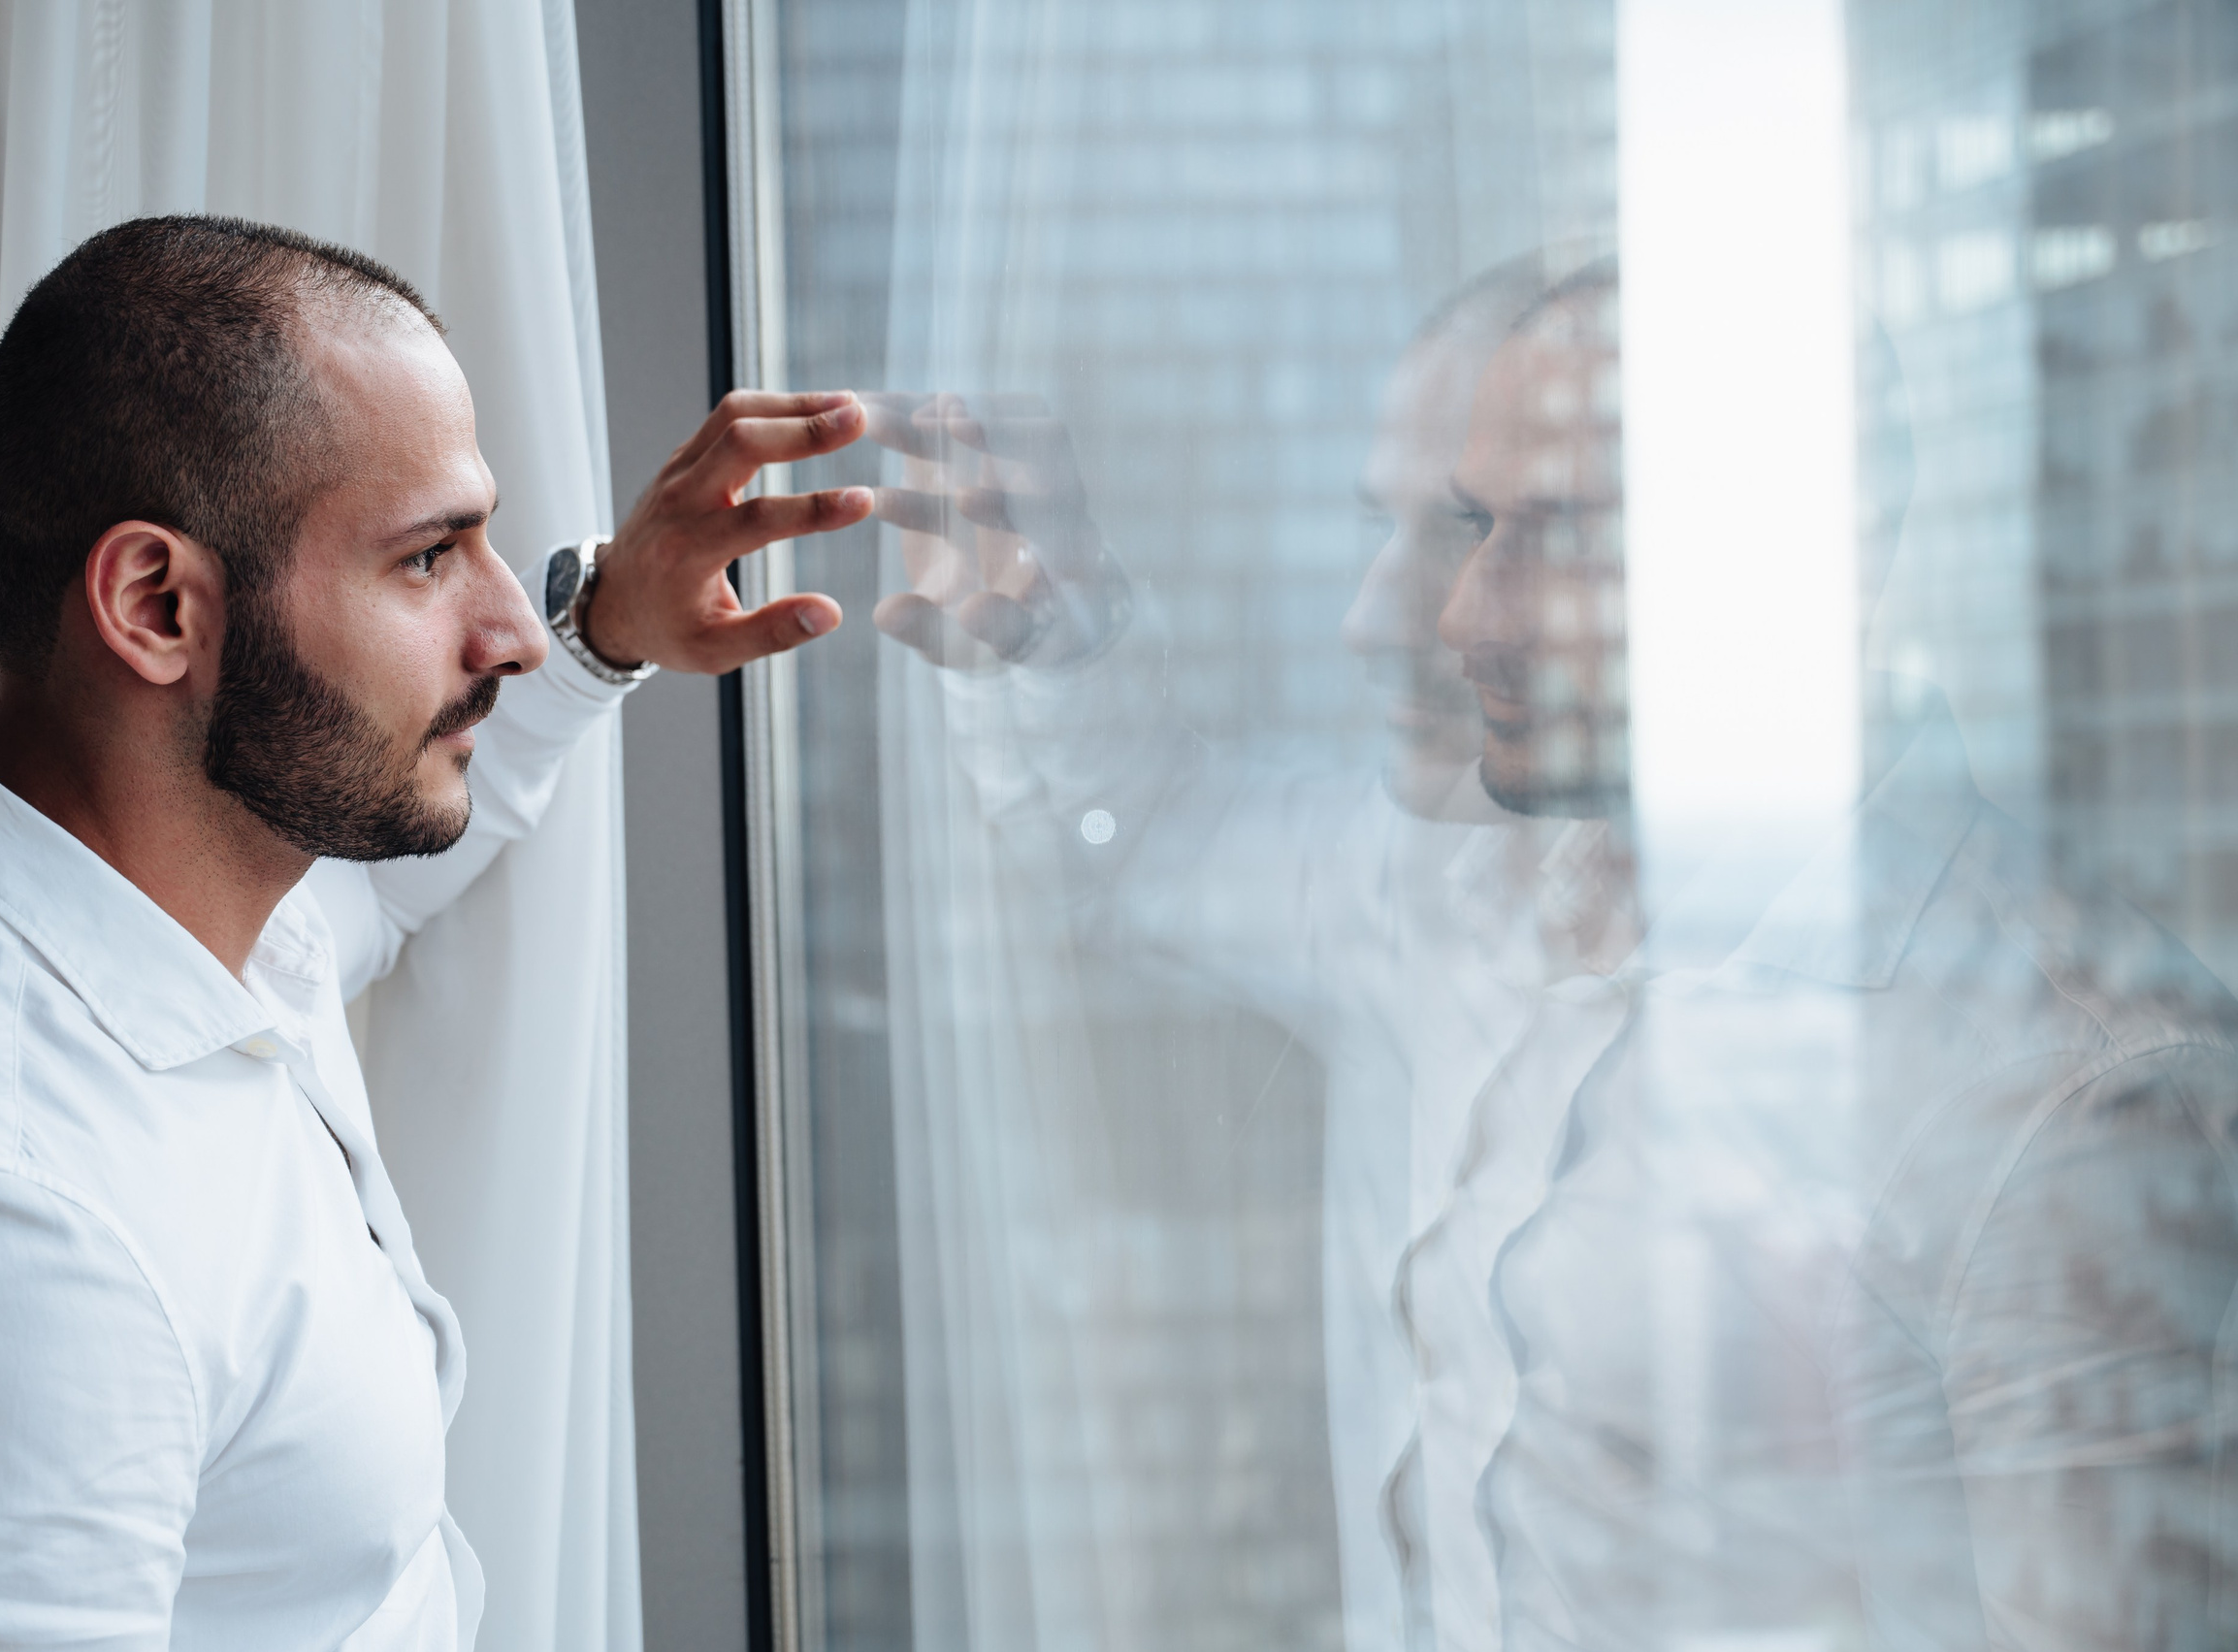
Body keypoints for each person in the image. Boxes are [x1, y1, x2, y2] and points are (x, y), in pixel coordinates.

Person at [875, 255, 2238, 1647]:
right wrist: (1043, 620)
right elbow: (1144, 836)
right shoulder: (1446, 891)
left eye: (1569, 533)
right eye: (1477, 524)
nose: (1464, 613)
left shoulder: (2064, 1082)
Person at [0, 214, 870, 1648]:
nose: (507, 628)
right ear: (158, 605)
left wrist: (605, 631)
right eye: (427, 559)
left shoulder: (158, 901)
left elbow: (374, 892)